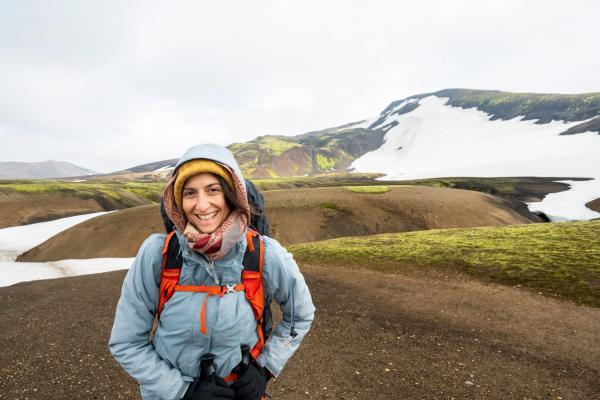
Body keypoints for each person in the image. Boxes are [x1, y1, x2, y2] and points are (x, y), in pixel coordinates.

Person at [109, 144, 315, 400]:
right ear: (178, 201)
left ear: (233, 194)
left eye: (213, 190)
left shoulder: (264, 253)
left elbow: (300, 314)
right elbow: (126, 342)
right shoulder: (158, 254)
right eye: (190, 193)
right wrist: (183, 392)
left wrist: (265, 369)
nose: (201, 205)